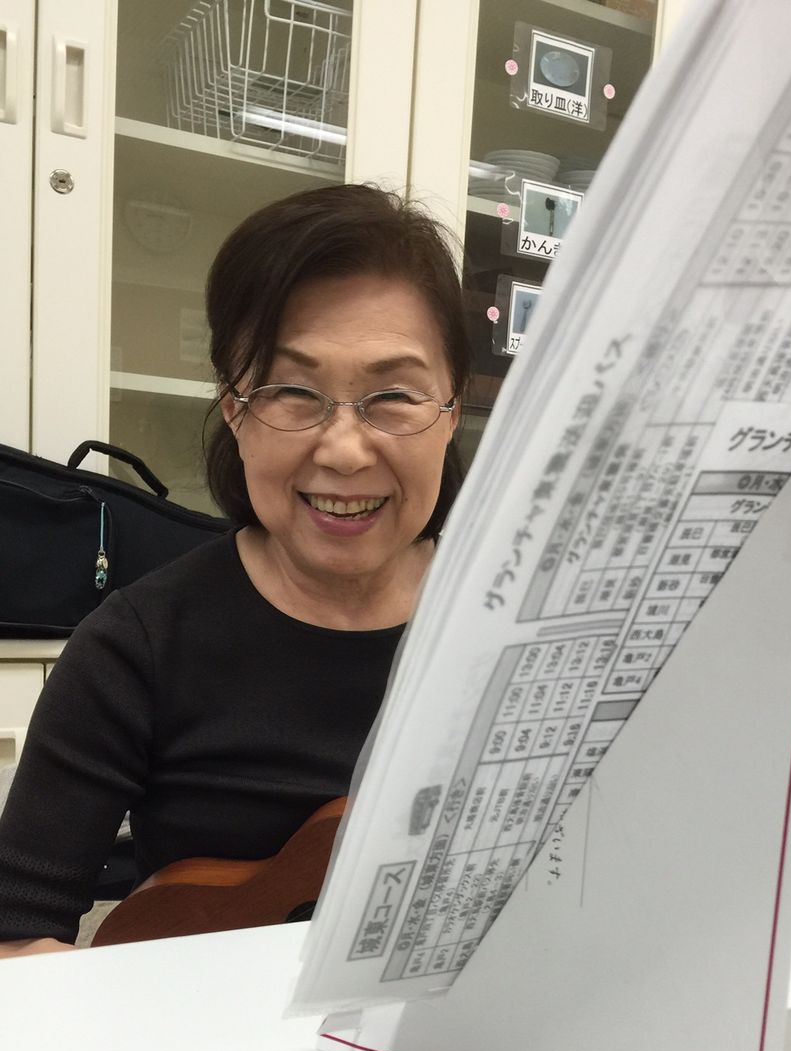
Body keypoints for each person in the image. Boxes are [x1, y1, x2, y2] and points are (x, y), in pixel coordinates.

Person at [0, 184, 470, 957]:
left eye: (393, 396)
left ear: (451, 410)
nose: (344, 450)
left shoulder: (521, 627)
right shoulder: (136, 647)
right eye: (292, 393)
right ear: (233, 408)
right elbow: (16, 935)